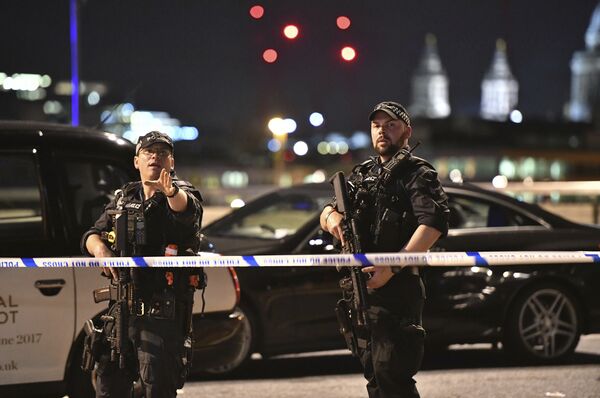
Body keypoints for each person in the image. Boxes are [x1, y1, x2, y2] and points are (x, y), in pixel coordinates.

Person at [320, 101, 449, 398]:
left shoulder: (417, 172)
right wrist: (332, 218)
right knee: (375, 376)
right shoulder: (364, 173)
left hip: (398, 287)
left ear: (406, 131)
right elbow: (326, 211)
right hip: (362, 288)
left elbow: (433, 224)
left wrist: (391, 268)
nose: (382, 131)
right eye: (377, 125)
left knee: (393, 374)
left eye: (391, 125)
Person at [81, 130, 204, 398]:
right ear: (137, 161)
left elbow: (186, 210)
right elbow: (91, 235)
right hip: (121, 310)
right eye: (149, 153)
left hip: (161, 313)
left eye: (163, 154)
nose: (155, 158)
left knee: (157, 389)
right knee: (108, 387)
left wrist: (170, 191)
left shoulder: (181, 194)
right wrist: (101, 250)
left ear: (171, 162)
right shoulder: (125, 197)